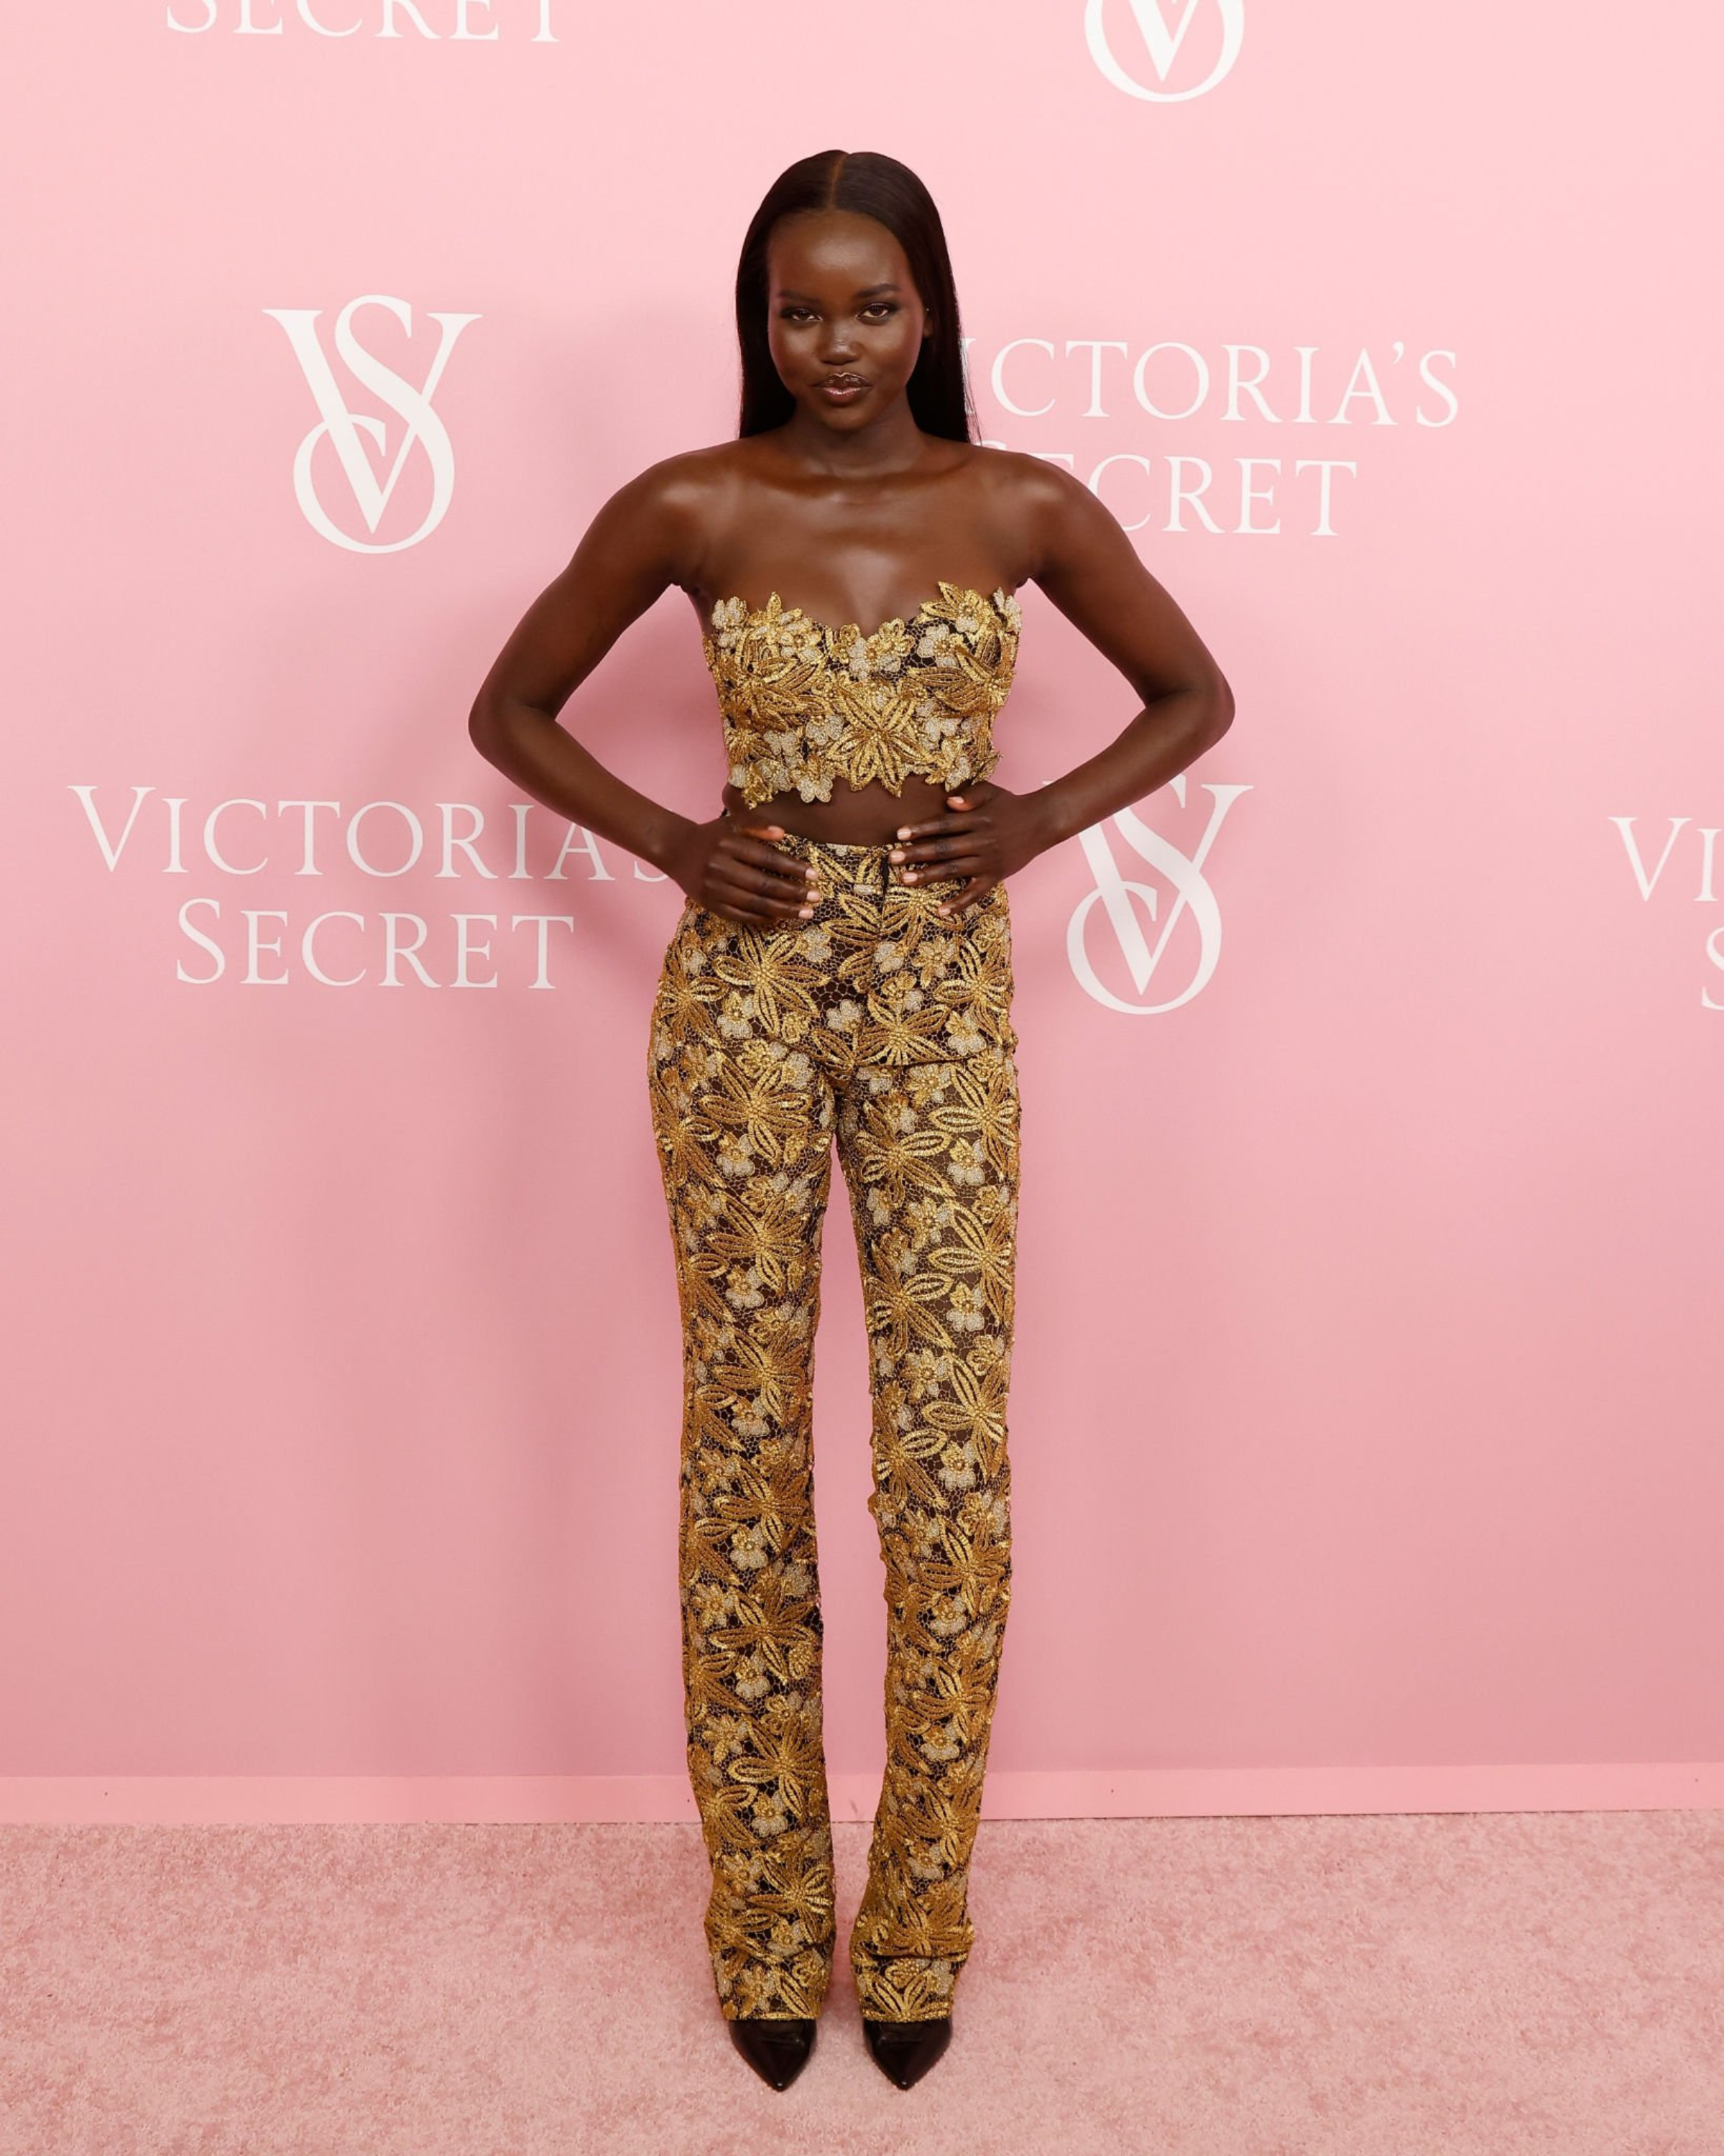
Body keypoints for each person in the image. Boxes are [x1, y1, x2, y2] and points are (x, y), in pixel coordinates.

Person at [467, 147, 1235, 2093]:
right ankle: (760, 1924)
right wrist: (673, 844)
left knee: (948, 1465)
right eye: (798, 311)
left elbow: (1189, 693)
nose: (834, 345)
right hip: (742, 990)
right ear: (760, 321)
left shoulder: (1018, 502)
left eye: (871, 308)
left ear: (928, 313)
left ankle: (914, 1928)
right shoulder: (693, 502)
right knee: (743, 1450)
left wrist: (1040, 820)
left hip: (940, 999)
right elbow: (511, 709)